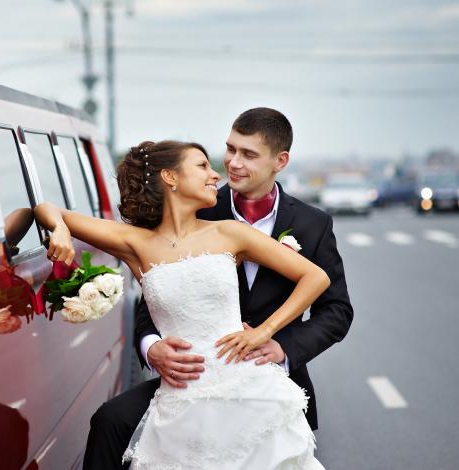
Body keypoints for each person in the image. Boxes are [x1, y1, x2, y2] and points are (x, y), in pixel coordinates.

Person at [36, 135, 331, 468]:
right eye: (203, 166)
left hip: (245, 387)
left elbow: (316, 278)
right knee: (114, 423)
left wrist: (264, 331)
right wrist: (59, 229)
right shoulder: (136, 242)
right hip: (182, 392)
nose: (216, 174)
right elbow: (45, 209)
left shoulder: (230, 233)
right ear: (170, 177)